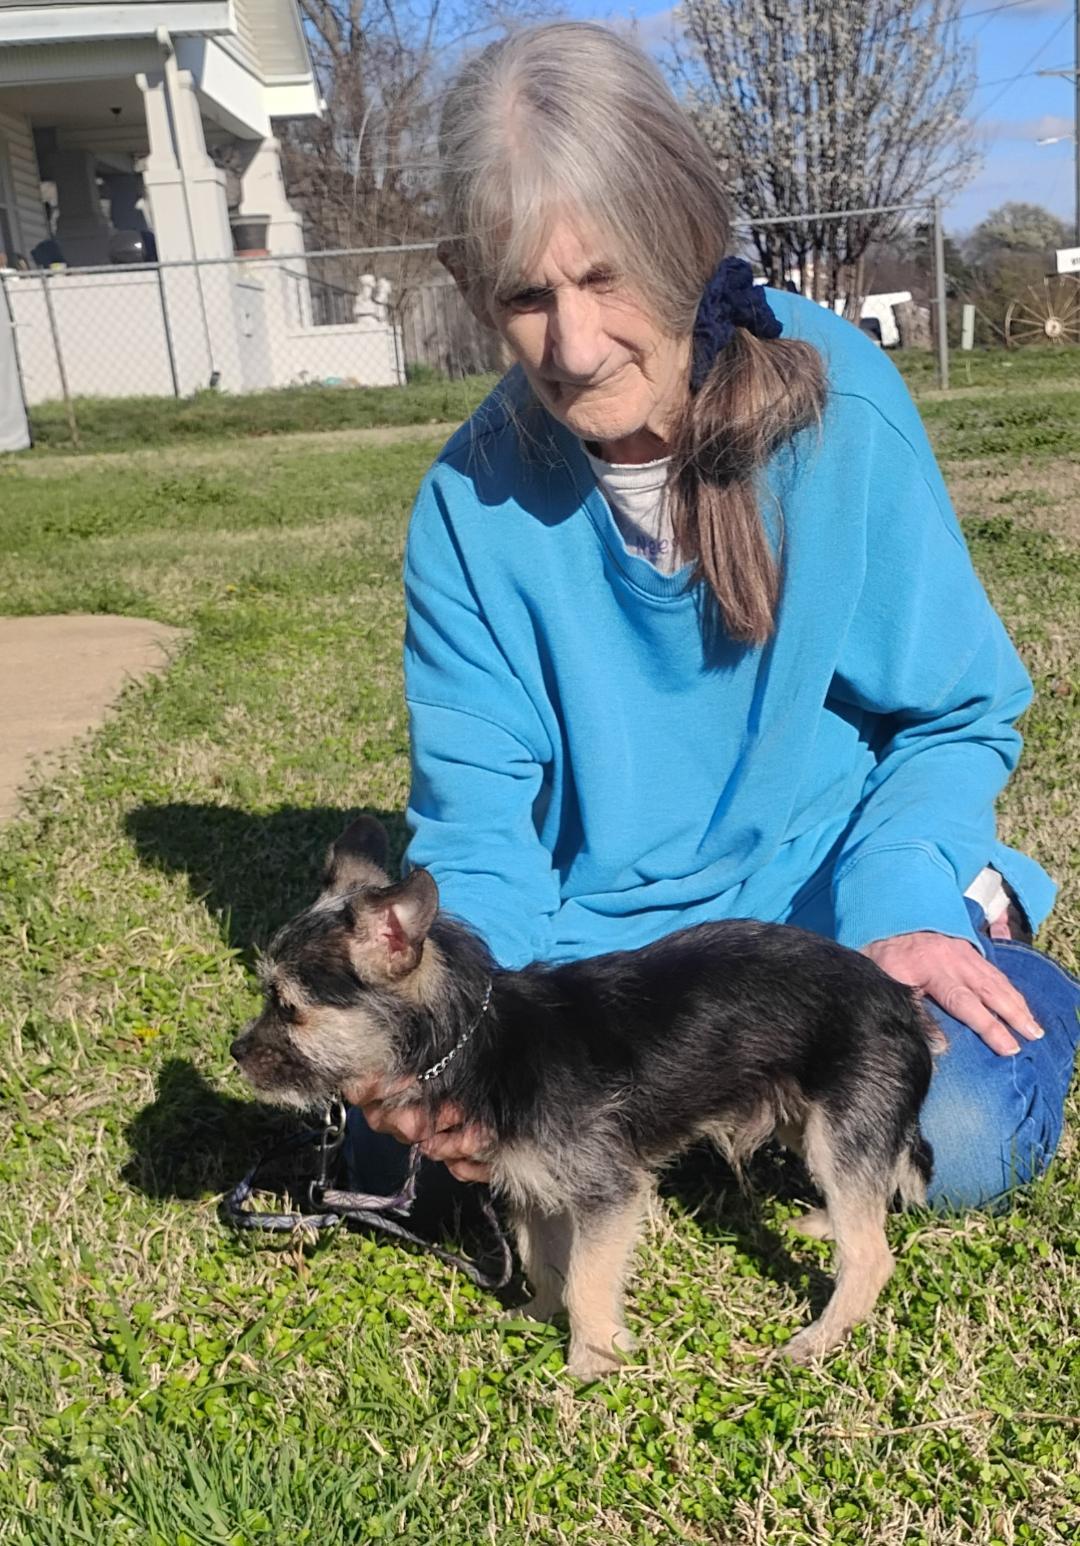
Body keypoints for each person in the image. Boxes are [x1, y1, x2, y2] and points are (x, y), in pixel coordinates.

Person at [348, 22, 1079, 1211]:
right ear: (469, 285)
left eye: (604, 278)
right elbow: (479, 829)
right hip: (618, 966)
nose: (574, 348)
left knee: (964, 1128)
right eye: (526, 296)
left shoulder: (837, 402)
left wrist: (895, 909)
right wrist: (465, 1027)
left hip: (829, 912)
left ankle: (978, 938)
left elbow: (953, 715)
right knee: (399, 1141)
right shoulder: (465, 506)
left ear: (685, 233)